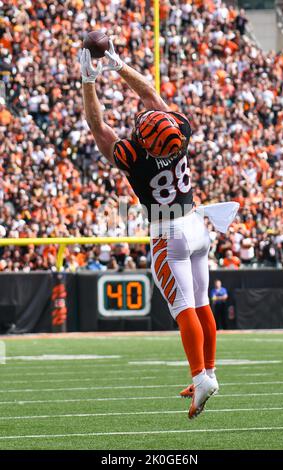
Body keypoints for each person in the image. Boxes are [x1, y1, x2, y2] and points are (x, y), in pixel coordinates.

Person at [80, 42, 239, 419]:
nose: (140, 121)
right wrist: (118, 64)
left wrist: (89, 78)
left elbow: (97, 125)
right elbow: (151, 95)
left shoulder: (134, 157)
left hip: (169, 233)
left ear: (144, 140)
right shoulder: (179, 131)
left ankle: (201, 376)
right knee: (201, 303)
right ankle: (210, 370)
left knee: (183, 308)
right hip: (197, 224)